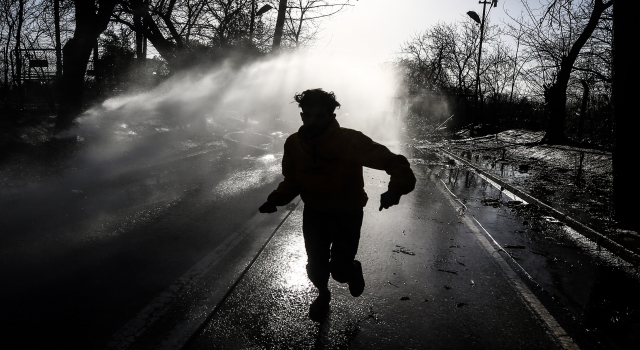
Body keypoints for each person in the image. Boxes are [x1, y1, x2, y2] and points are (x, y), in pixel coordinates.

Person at [259, 88, 416, 321]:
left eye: (319, 116)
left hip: (347, 215)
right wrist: (276, 199)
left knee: (340, 271)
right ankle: (323, 294)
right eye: (307, 115)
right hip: (314, 215)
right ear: (301, 115)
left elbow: (395, 162)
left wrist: (395, 189)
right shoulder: (294, 144)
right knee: (315, 267)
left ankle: (352, 270)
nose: (312, 121)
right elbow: (292, 180)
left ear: (331, 116)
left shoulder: (350, 141)